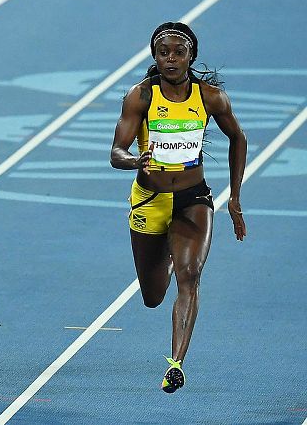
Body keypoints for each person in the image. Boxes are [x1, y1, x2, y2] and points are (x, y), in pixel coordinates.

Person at [110, 22, 247, 393]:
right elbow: (116, 152)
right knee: (153, 296)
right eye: (164, 52)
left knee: (191, 277)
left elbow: (238, 138)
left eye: (179, 52)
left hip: (193, 199)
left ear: (191, 56)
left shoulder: (211, 97)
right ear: (155, 57)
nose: (171, 59)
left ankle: (176, 364)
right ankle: (170, 254)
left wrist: (234, 198)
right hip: (151, 200)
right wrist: (136, 160)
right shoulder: (140, 97)